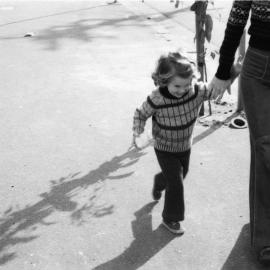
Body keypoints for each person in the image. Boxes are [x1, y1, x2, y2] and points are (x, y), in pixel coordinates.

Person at [131, 51, 238, 235]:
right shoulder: (157, 98)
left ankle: (160, 180)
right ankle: (170, 218)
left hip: (184, 146)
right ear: (164, 81)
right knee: (177, 183)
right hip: (164, 148)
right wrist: (138, 132)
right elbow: (140, 113)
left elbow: (214, 90)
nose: (182, 90)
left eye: (186, 85)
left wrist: (233, 73)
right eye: (177, 86)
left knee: (180, 175)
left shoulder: (195, 91)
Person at [209, 0, 270, 265]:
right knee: (265, 147)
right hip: (258, 69)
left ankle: (261, 230)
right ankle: (265, 240)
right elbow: (236, 20)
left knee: (263, 152)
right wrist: (223, 72)